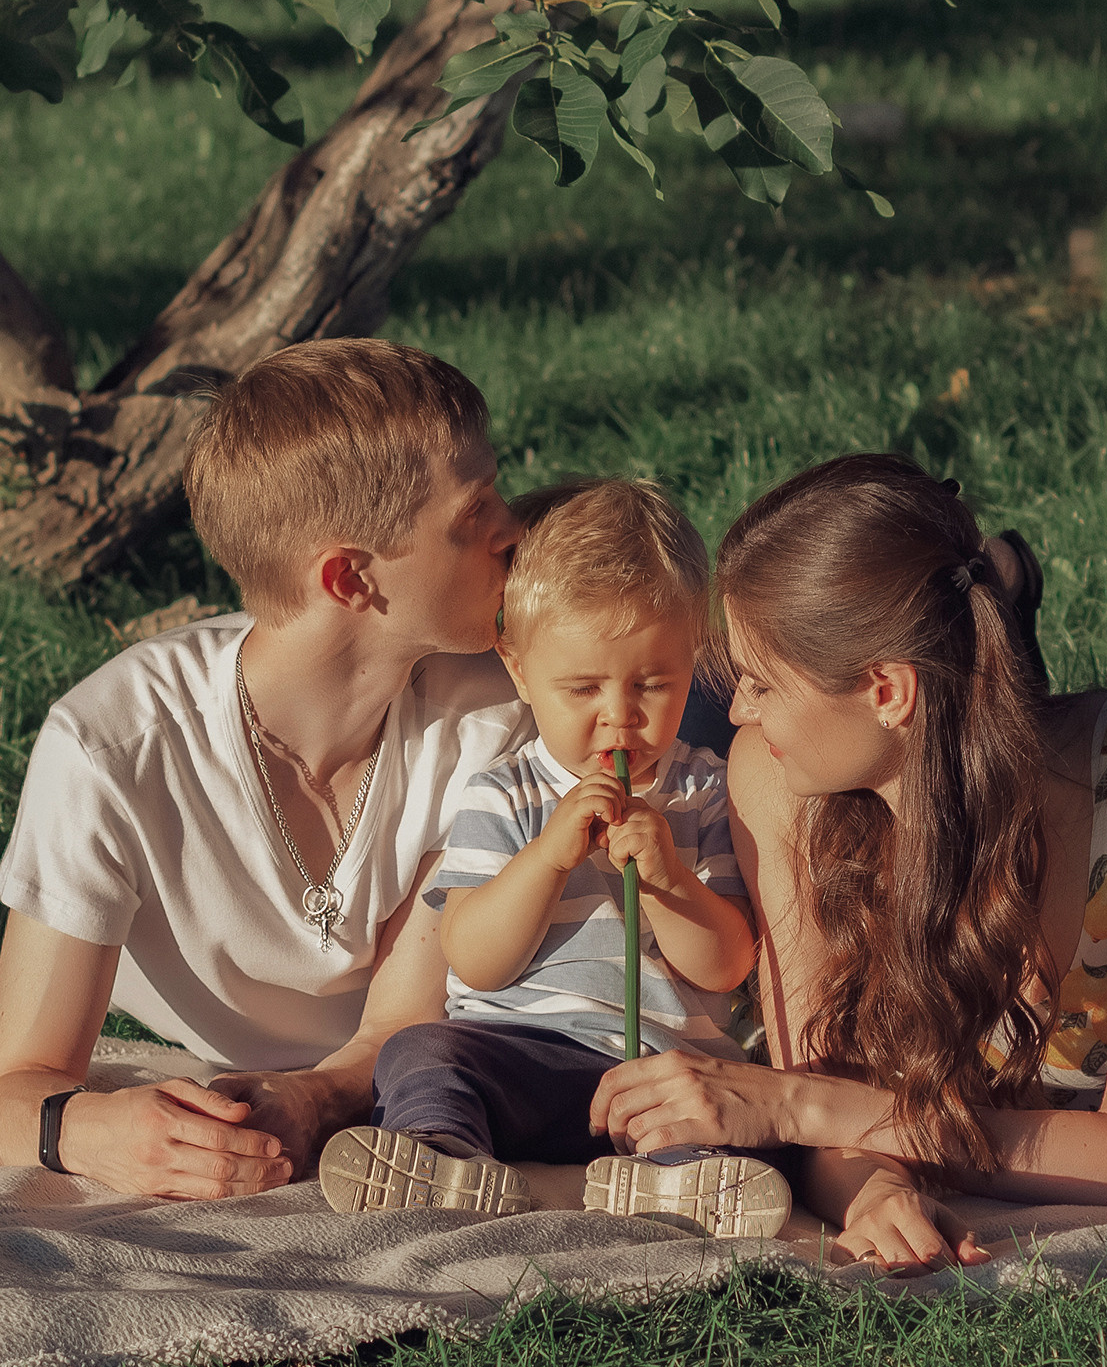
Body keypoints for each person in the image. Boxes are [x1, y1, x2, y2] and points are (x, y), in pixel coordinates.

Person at [586, 453, 1107, 1270]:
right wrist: (876, 1190)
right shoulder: (775, 776)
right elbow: (830, 1089)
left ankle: (997, 588)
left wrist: (796, 1107)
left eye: (761, 684)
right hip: (927, 731)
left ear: (885, 690)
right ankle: (993, 590)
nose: (737, 711)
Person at [0, 338, 530, 1199]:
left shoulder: (492, 711)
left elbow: (399, 1019)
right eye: (475, 514)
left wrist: (312, 1099)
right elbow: (16, 1090)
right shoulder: (112, 750)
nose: (515, 528)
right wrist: (98, 1129)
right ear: (350, 578)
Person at [316, 479, 790, 1237]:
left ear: (694, 662)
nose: (620, 713)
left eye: (653, 683)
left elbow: (726, 963)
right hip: (522, 1059)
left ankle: (678, 1186)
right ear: (519, 669)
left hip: (658, 1067)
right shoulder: (504, 791)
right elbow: (474, 959)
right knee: (419, 1049)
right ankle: (441, 1153)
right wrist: (547, 857)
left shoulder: (703, 788)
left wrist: (669, 880)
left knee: (704, 1105)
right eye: (582, 687)